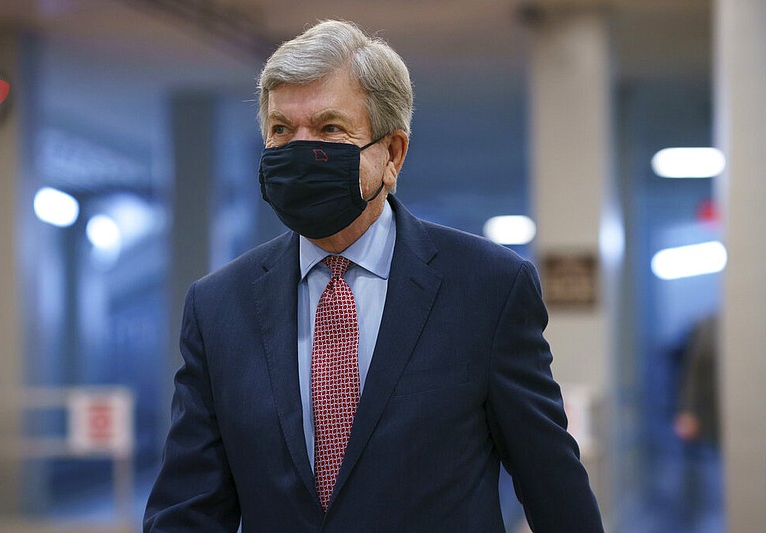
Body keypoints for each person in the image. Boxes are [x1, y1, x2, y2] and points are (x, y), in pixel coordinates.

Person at [144, 20, 603, 532]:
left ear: (392, 154)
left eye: (329, 129)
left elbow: (554, 489)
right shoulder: (218, 308)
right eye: (280, 130)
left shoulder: (487, 289)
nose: (299, 150)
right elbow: (187, 509)